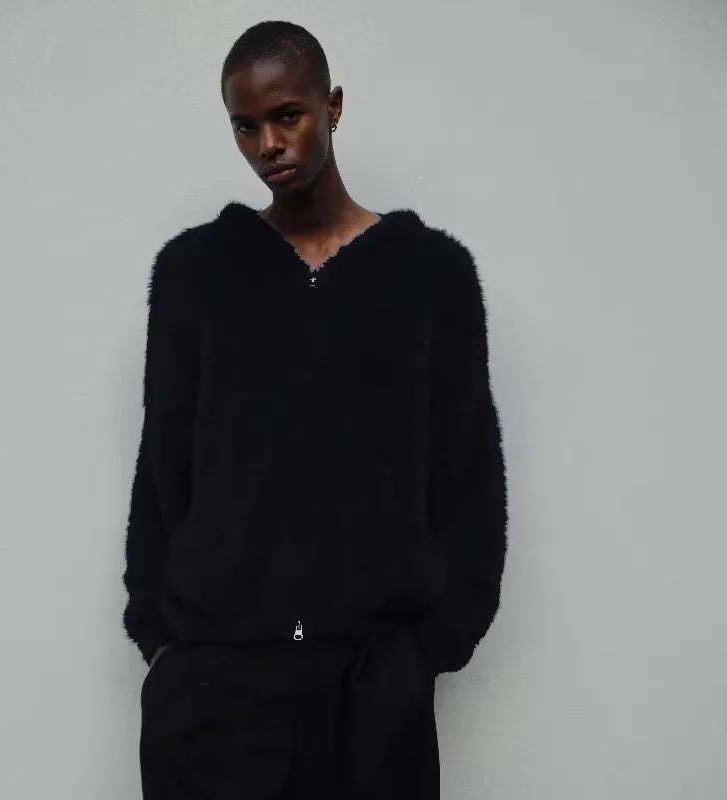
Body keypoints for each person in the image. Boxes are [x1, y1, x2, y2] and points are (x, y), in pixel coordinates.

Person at [122, 19, 508, 800]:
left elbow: (469, 473)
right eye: (245, 125)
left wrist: (431, 646)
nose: (269, 143)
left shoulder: (431, 276)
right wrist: (162, 641)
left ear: (333, 105)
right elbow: (162, 465)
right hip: (215, 694)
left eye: (288, 114)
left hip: (373, 696)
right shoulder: (195, 275)